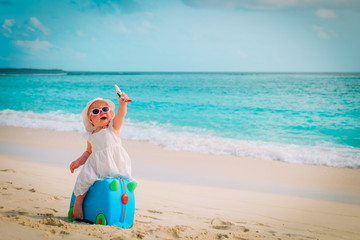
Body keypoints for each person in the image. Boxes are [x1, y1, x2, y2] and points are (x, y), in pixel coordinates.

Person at [69, 91, 137, 220]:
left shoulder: (113, 127)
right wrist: (78, 162)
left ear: (111, 114)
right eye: (95, 111)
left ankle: (127, 185)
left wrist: (122, 104)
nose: (101, 112)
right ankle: (78, 202)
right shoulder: (90, 135)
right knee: (83, 179)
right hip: (96, 165)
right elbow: (89, 152)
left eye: (105, 109)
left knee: (121, 176)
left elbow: (121, 115)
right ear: (90, 120)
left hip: (115, 162)